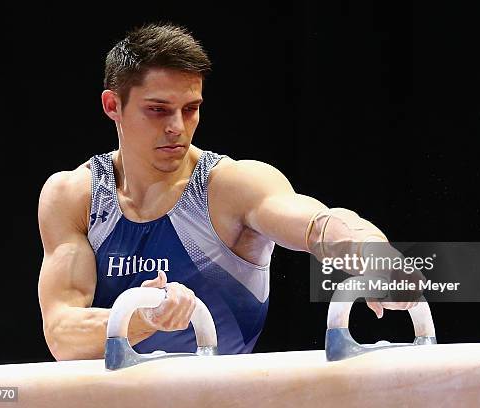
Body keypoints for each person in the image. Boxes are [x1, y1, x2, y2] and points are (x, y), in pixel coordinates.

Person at [37, 22, 417, 361]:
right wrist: (144, 317)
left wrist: (374, 254)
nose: (178, 128)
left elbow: (318, 225)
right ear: (112, 105)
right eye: (158, 110)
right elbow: (61, 334)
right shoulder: (75, 196)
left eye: (190, 109)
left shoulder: (230, 187)